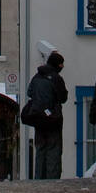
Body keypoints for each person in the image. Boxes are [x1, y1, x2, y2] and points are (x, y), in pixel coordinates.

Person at [26, 50, 67, 179]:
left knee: (40, 149)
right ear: (57, 65)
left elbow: (29, 92)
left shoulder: (37, 77)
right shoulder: (56, 78)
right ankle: (51, 179)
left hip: (38, 119)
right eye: (61, 65)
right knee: (53, 150)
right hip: (53, 119)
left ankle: (39, 178)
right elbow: (63, 98)